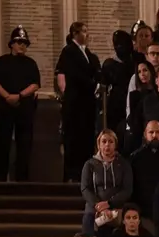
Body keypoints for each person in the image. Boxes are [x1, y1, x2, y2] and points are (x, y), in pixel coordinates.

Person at [0, 27, 41, 183]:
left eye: (24, 43)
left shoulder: (30, 63)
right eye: (18, 42)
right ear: (11, 44)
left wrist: (19, 95)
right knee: (2, 143)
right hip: (5, 108)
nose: (22, 46)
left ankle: (22, 180)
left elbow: (35, 84)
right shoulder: (2, 61)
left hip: (25, 109)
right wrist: (7, 96)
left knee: (24, 145)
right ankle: (0, 179)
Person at [57, 22, 102, 183]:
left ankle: (85, 174)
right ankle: (72, 174)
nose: (87, 34)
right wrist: (92, 83)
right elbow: (74, 74)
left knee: (86, 139)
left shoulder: (88, 54)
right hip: (75, 105)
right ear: (75, 33)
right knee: (74, 140)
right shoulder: (69, 51)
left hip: (87, 105)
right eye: (84, 31)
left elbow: (96, 70)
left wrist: (98, 82)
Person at [81, 130, 133, 234]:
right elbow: (85, 188)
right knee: (88, 226)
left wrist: (109, 204)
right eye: (104, 141)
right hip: (95, 208)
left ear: (115, 144)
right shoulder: (90, 164)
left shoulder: (124, 164)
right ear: (98, 145)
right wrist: (99, 206)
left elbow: (127, 189)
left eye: (110, 141)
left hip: (117, 208)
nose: (107, 145)